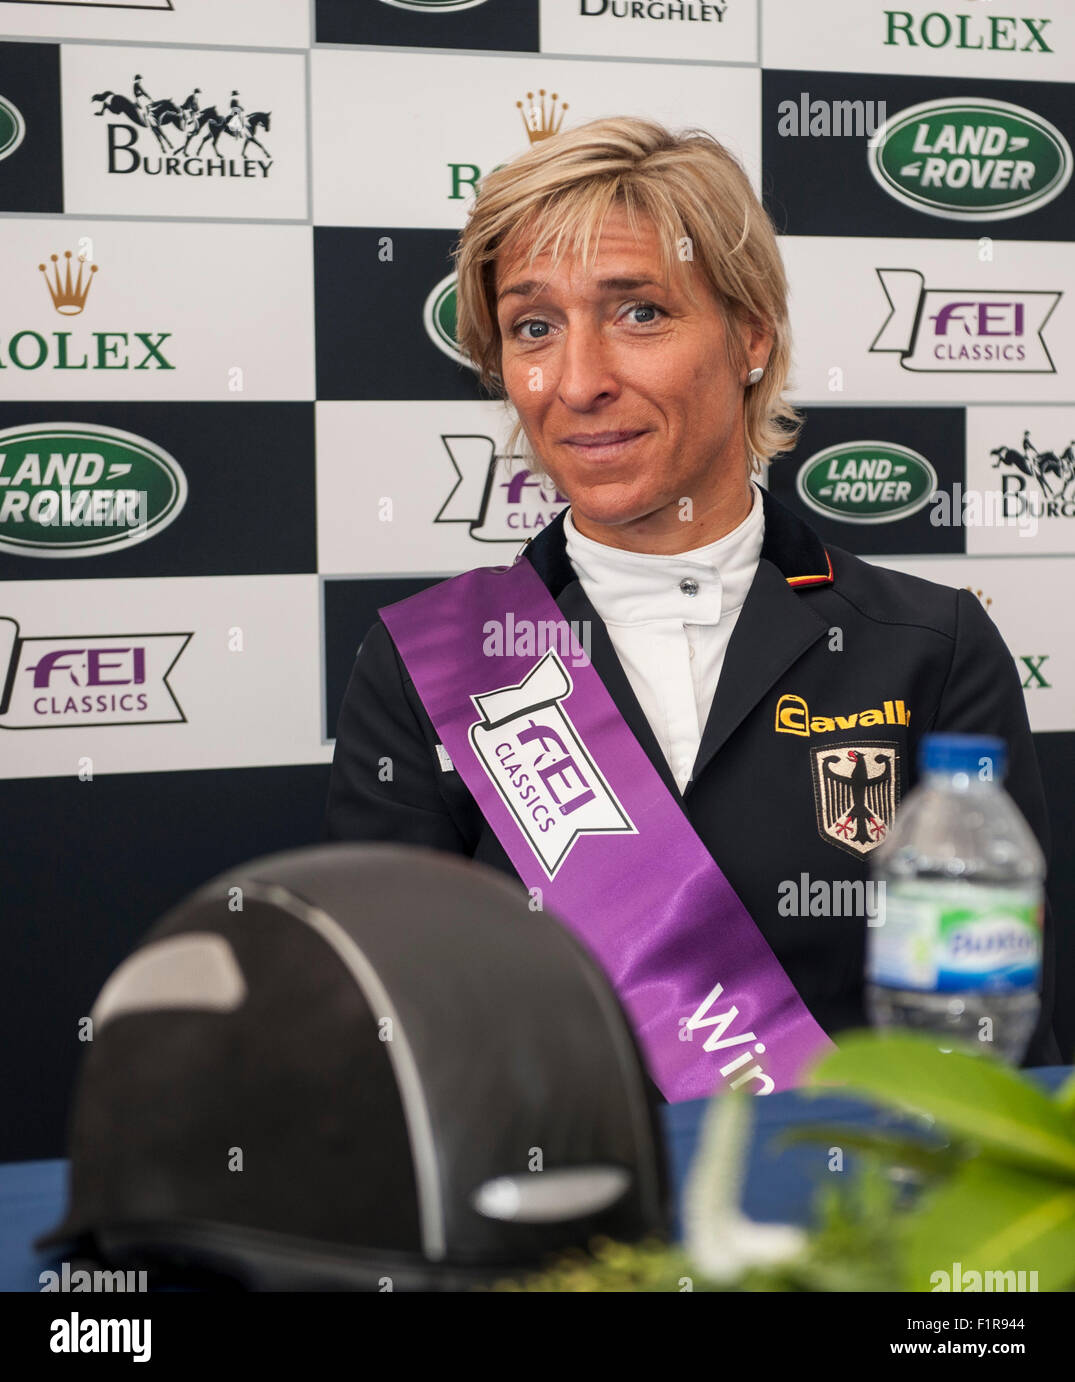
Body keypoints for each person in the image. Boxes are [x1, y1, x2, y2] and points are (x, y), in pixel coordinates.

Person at [324, 117, 1059, 1094]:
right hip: (565, 1235)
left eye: (638, 314)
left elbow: (994, 1048)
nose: (579, 382)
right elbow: (398, 1045)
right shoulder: (432, 662)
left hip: (843, 1224)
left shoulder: (929, 645)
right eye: (533, 327)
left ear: (750, 333)